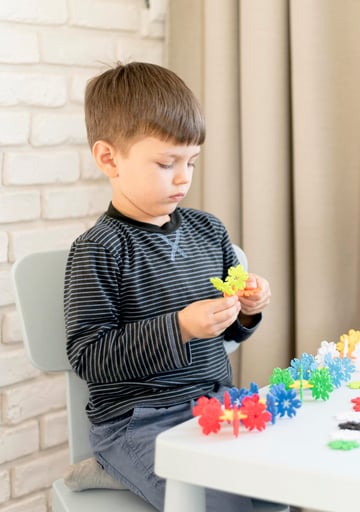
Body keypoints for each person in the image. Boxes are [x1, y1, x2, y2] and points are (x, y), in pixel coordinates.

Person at [64, 61, 273, 511]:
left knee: (284, 482)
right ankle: (115, 462)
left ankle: (124, 473)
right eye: (166, 163)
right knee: (219, 506)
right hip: (137, 422)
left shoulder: (209, 231)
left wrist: (248, 310)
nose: (183, 177)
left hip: (213, 404)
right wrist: (179, 327)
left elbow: (229, 332)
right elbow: (89, 358)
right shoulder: (99, 249)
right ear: (108, 158)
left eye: (191, 162)